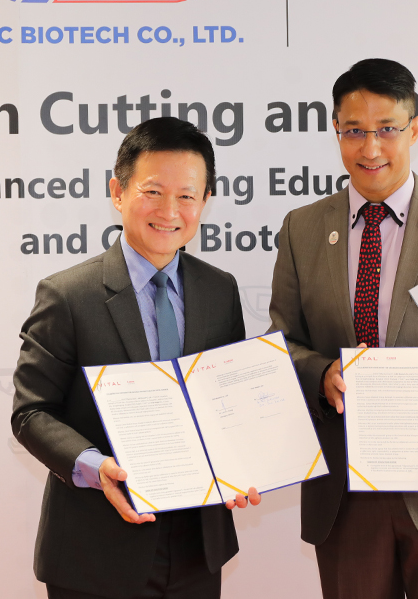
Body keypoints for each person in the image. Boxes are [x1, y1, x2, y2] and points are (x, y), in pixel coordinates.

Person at [269, 59, 418, 599]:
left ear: (415, 129)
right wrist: (321, 373)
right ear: (336, 131)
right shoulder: (301, 229)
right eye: (354, 131)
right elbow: (283, 343)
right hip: (346, 492)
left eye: (387, 129)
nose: (371, 147)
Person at [13, 117, 261, 599]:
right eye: (153, 192)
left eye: (187, 195)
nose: (170, 211)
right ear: (118, 192)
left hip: (197, 547)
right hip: (95, 551)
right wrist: (95, 467)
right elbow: (31, 412)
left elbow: (228, 403)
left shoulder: (220, 290)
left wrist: (243, 461)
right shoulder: (68, 295)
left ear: (205, 201)